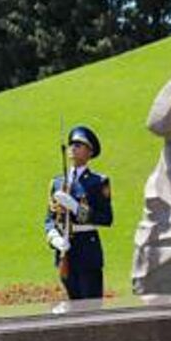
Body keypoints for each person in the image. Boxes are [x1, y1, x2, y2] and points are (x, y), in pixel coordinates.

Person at [45, 125, 113, 300]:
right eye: (71, 144)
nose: (73, 148)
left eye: (79, 145)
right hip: (65, 253)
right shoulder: (57, 182)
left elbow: (106, 218)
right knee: (72, 304)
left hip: (87, 252)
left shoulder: (98, 182)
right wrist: (55, 238)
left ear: (89, 152)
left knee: (90, 307)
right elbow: (49, 219)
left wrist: (76, 208)